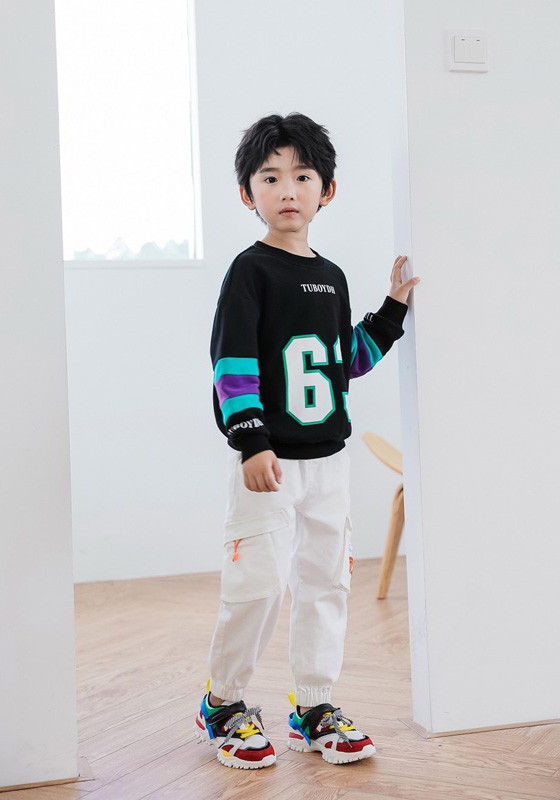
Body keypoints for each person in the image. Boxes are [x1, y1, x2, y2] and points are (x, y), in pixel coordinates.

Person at [194, 112, 419, 770]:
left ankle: (314, 706)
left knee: (325, 581)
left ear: (328, 190)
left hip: (328, 464)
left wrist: (393, 310)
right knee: (257, 585)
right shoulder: (250, 272)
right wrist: (250, 440)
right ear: (247, 194)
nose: (287, 190)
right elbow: (232, 361)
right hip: (267, 462)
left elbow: (342, 360)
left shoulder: (332, 276)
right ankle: (223, 702)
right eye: (270, 178)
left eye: (302, 176)